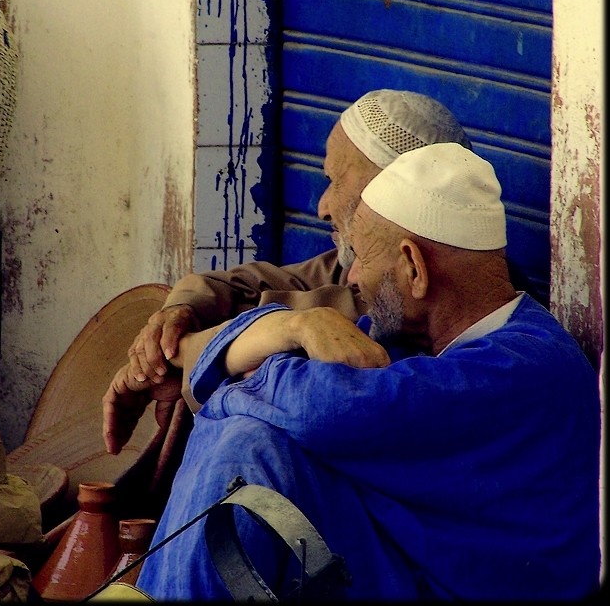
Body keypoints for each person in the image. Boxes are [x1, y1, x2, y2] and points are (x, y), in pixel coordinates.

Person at [130, 142, 601, 601]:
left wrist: (229, 387)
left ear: (414, 266)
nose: (351, 279)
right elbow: (295, 383)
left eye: (360, 258)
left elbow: (324, 407)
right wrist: (295, 327)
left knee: (248, 444)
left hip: (447, 583)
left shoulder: (527, 368)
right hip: (406, 559)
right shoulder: (408, 339)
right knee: (251, 438)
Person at [103, 88, 475, 454]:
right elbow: (245, 286)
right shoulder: (347, 265)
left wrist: (185, 353)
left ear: (387, 193)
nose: (323, 207)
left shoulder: (423, 313)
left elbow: (274, 339)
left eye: (334, 181)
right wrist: (179, 314)